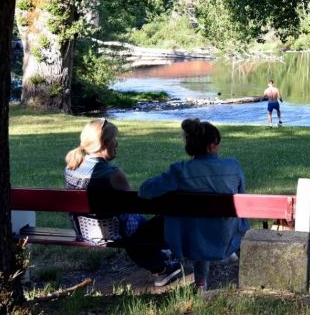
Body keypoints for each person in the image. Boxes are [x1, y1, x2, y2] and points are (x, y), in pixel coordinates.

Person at [64, 118, 183, 287]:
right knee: (167, 215)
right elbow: (136, 204)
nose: (117, 143)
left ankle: (159, 258)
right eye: (114, 139)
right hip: (113, 232)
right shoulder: (112, 174)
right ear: (104, 143)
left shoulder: (71, 167)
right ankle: (161, 269)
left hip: (84, 230)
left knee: (136, 225)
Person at [139, 118, 250, 290]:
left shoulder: (180, 171)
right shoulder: (232, 167)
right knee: (207, 223)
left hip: (192, 240)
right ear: (211, 146)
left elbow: (145, 191)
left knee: (196, 224)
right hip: (226, 235)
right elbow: (242, 199)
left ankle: (200, 282)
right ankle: (219, 274)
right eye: (218, 143)